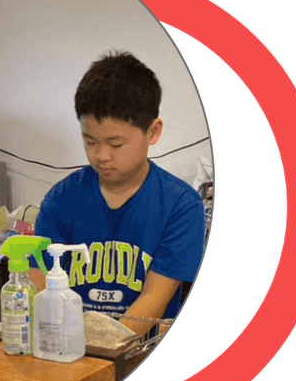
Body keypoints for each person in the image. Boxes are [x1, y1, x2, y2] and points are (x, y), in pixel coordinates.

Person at [29, 51, 205, 334]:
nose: (101, 156)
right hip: (67, 348)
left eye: (116, 144)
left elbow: (154, 297)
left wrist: (104, 348)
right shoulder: (61, 200)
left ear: (153, 132)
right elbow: (38, 283)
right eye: (90, 141)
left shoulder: (181, 205)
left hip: (140, 351)